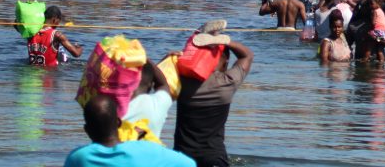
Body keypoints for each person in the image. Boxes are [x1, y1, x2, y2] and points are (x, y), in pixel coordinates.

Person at [174, 29, 253, 167]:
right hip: (214, 158)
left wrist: (170, 59)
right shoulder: (227, 82)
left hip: (181, 157)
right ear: (224, 61)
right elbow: (247, 56)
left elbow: (154, 79)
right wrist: (224, 41)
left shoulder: (181, 81)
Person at [65, 95, 195, 167]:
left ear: (87, 130)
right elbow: (189, 164)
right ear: (118, 122)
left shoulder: (78, 158)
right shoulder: (145, 150)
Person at [123, 59, 174, 138]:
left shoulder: (111, 107)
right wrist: (145, 58)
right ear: (150, 86)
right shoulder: (157, 104)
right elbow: (163, 84)